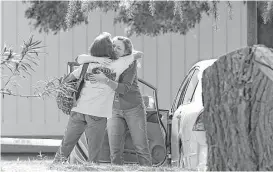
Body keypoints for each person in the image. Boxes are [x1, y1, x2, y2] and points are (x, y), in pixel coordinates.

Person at [53, 32, 143, 164]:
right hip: (97, 114)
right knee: (93, 153)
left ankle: (55, 166)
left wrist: (95, 59)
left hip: (79, 109)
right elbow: (138, 54)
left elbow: (69, 78)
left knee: (66, 145)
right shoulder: (118, 64)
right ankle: (91, 167)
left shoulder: (87, 64)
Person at [76, 36, 152, 166]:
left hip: (133, 108)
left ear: (126, 52)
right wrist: (96, 59)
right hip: (113, 110)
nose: (115, 49)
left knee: (141, 148)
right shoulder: (106, 59)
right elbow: (79, 59)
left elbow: (124, 88)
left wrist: (104, 80)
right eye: (114, 46)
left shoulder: (129, 63)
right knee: (115, 151)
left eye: (119, 48)